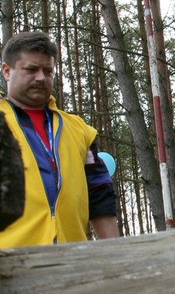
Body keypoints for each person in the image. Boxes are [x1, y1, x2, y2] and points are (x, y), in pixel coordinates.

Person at [0, 30, 118, 246]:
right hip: (9, 265)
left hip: (70, 263)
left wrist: (117, 256)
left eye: (48, 71)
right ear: (7, 71)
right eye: (31, 69)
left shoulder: (79, 130)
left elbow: (100, 196)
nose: (40, 77)